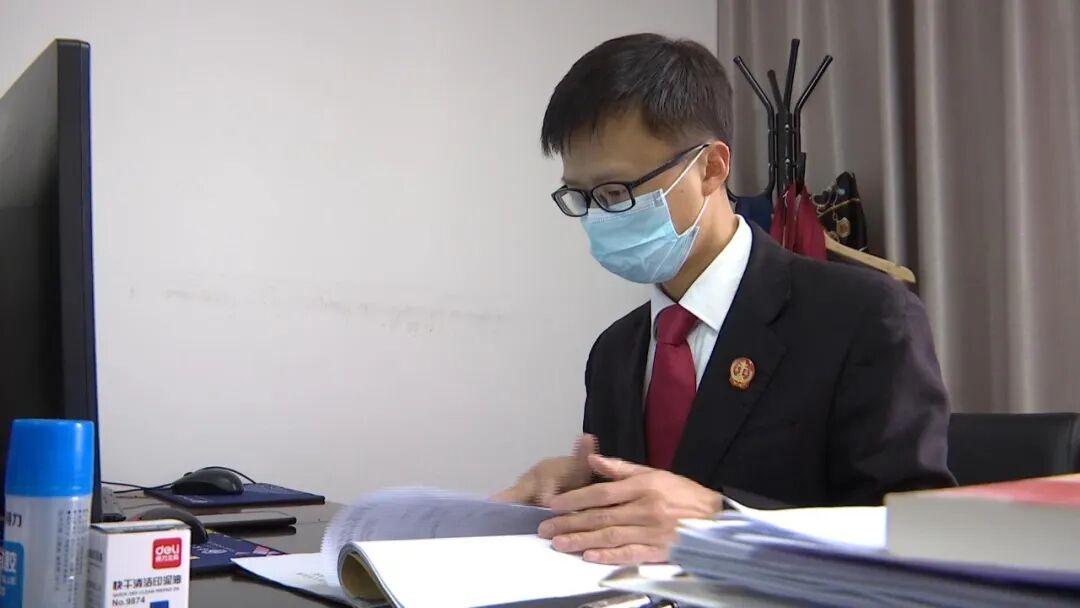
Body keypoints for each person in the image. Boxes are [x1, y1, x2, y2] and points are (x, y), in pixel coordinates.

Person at [494, 33, 956, 566]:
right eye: (581, 197)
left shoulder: (862, 317)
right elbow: (644, 521)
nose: (599, 217)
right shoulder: (615, 352)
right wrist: (583, 495)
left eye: (617, 192)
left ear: (711, 167)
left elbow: (918, 533)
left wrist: (724, 522)